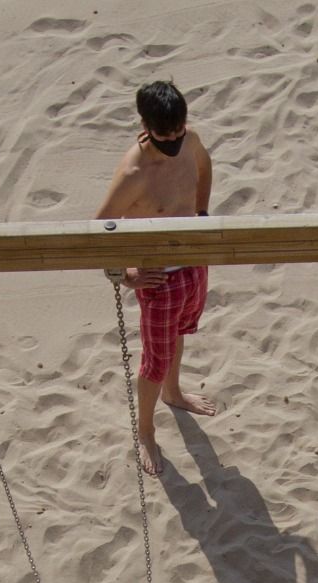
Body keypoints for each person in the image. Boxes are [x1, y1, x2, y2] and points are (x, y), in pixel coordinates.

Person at [96, 80, 217, 477]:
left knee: (182, 331)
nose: (176, 140)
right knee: (154, 360)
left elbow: (204, 163)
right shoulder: (134, 173)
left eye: (180, 131)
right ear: (146, 127)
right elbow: (98, 231)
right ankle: (145, 429)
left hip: (192, 261)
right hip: (158, 279)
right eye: (167, 135)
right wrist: (125, 275)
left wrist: (201, 214)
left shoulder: (190, 140)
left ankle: (174, 392)